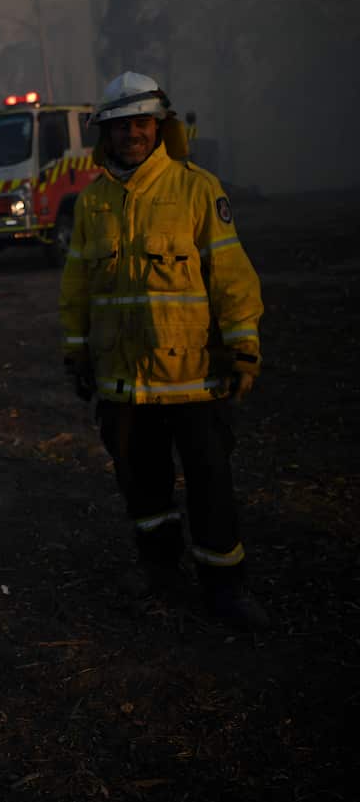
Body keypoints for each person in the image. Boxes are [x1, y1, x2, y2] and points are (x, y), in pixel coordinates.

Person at [59, 72, 269, 631]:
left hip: (194, 378)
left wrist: (243, 343)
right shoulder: (93, 203)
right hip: (123, 382)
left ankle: (225, 589)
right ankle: (161, 574)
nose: (132, 133)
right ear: (105, 132)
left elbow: (230, 274)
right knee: (143, 488)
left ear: (160, 127)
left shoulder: (198, 189)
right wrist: (76, 352)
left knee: (210, 486)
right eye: (122, 124)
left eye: (142, 123)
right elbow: (77, 285)